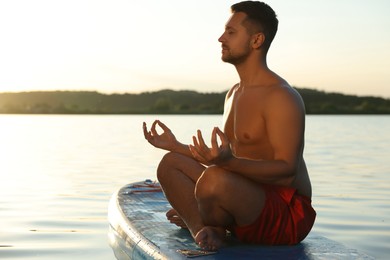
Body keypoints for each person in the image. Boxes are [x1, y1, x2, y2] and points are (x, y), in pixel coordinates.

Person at [143, 0, 316, 251]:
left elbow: (287, 171)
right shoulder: (233, 93)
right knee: (171, 163)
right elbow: (225, 160)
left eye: (231, 32)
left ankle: (214, 223)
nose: (221, 38)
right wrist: (176, 146)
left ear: (256, 40)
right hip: (245, 194)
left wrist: (226, 163)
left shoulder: (281, 97)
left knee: (214, 179)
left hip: (286, 215)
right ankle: (203, 229)